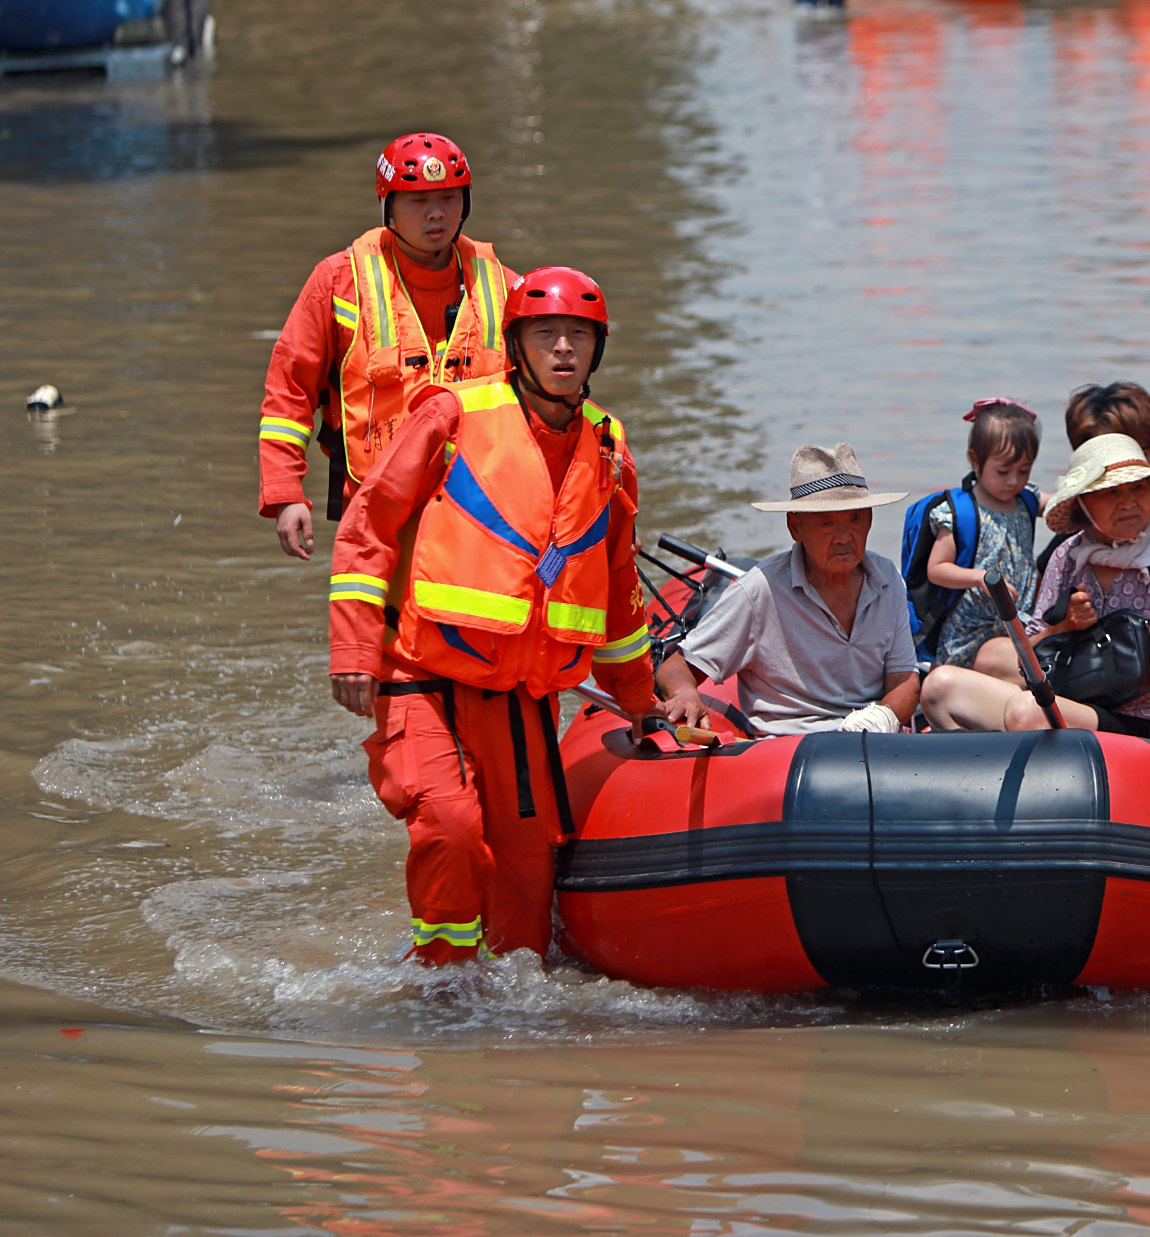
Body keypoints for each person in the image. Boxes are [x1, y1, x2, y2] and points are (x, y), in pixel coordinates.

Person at [327, 267, 658, 965]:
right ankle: (441, 990)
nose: (564, 348)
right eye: (546, 334)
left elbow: (617, 581)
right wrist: (354, 650)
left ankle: (515, 1019)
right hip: (419, 671)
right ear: (516, 343)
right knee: (448, 826)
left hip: (520, 695)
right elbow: (370, 519)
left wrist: (640, 701)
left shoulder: (609, 446)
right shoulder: (453, 413)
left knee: (526, 874)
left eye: (579, 336)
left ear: (597, 350)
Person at [259, 132, 516, 559]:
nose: (436, 214)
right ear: (388, 207)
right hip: (372, 509)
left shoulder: (503, 287)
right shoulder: (338, 283)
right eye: (417, 201)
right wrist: (286, 494)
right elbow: (289, 393)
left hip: (480, 513)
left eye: (450, 198)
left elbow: (549, 399)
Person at [922, 433, 1150, 737]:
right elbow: (1036, 649)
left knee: (1027, 712)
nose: (1128, 502)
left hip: (1149, 719)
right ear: (1082, 503)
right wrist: (1061, 628)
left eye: (1138, 488)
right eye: (1111, 492)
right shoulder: (1068, 555)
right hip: (1072, 699)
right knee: (939, 686)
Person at [655, 444, 919, 736]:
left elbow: (904, 679)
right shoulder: (758, 591)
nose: (844, 537)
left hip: (872, 742)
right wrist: (685, 694)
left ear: (870, 518)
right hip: (789, 754)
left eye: (856, 519)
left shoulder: (888, 579)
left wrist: (881, 719)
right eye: (826, 523)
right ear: (795, 527)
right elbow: (677, 666)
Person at [902, 398, 1042, 668]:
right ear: (975, 460)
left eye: (1024, 471)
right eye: (1003, 471)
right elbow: (937, 569)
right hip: (971, 630)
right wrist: (980, 579)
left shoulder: (1027, 500)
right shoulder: (962, 514)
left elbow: (1066, 505)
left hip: (1019, 620)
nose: (1013, 481)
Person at [1036, 381, 1150, 573]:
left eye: (1138, 450)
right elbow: (1041, 583)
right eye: (1110, 492)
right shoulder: (1075, 543)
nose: (1126, 503)